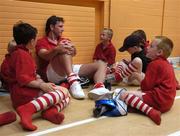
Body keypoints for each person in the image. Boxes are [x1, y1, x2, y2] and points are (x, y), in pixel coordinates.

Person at [90, 36, 177, 125]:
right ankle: (125, 105)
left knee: (124, 95)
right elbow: (175, 83)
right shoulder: (167, 64)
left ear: (159, 52)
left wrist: (138, 84)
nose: (147, 47)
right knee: (125, 93)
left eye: (151, 46)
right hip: (168, 103)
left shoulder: (154, 64)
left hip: (159, 100)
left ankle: (150, 111)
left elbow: (146, 87)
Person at [2, 22, 70, 131]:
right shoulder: (21, 54)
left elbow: (31, 73)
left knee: (65, 94)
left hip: (23, 92)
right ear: (31, 41)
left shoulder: (21, 53)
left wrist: (41, 82)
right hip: (23, 94)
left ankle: (50, 112)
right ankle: (28, 109)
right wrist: (42, 85)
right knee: (63, 92)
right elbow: (23, 79)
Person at [35, 15, 108, 100]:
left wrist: (73, 49)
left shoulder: (63, 40)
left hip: (68, 70)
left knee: (101, 64)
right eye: (60, 26)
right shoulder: (42, 41)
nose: (63, 29)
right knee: (63, 49)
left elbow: (72, 54)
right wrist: (57, 49)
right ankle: (73, 82)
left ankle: (99, 88)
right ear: (51, 27)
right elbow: (44, 56)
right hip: (51, 73)